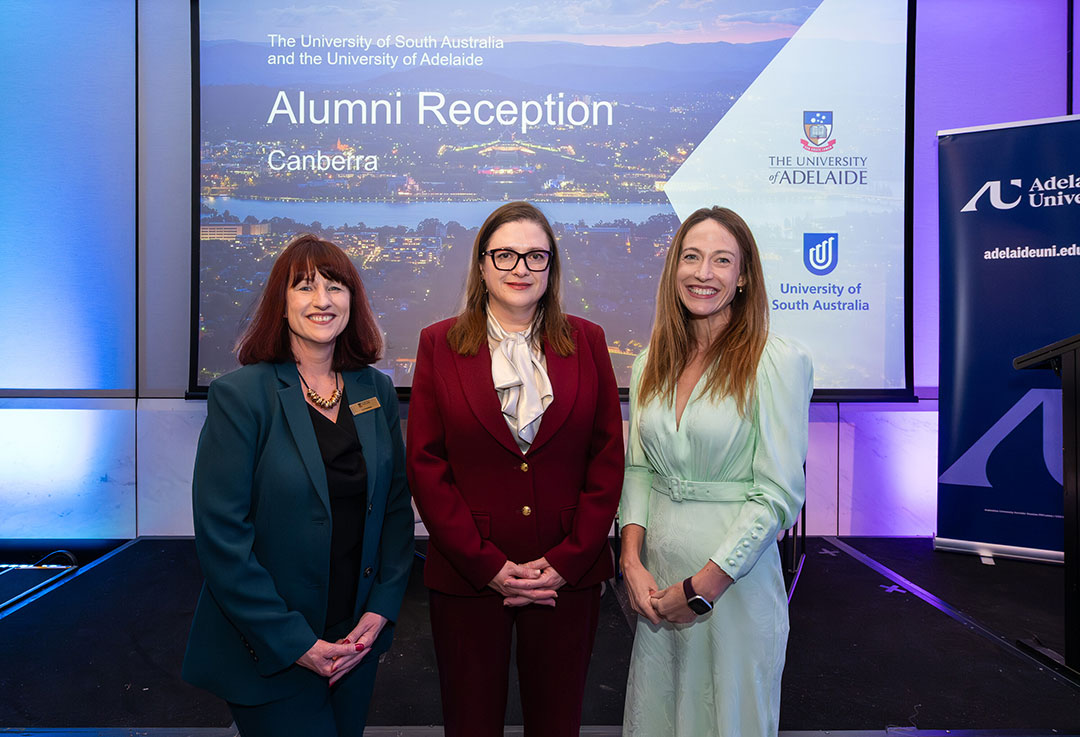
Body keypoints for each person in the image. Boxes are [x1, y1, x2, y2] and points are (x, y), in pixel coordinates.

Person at [182, 234, 414, 737]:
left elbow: (395, 509)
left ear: (352, 300)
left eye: (335, 287)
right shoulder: (241, 396)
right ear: (281, 301)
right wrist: (295, 642)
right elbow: (223, 539)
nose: (322, 300)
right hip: (271, 648)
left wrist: (381, 609)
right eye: (305, 286)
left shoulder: (373, 389)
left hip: (354, 640)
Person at [406, 201, 624, 737]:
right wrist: (487, 565)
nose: (520, 268)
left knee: (557, 723)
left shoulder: (589, 340)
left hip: (565, 576)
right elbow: (427, 464)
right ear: (482, 265)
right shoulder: (438, 343)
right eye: (505, 255)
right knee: (470, 723)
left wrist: (569, 560)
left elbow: (606, 459)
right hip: (469, 574)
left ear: (551, 267)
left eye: (535, 256)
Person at [619, 207, 813, 736]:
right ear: (674, 268)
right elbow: (638, 469)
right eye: (692, 257)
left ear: (744, 276)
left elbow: (777, 495)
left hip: (732, 587)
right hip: (657, 586)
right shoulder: (649, 361)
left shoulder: (776, 361)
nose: (703, 273)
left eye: (722, 260)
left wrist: (703, 587)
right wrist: (631, 562)